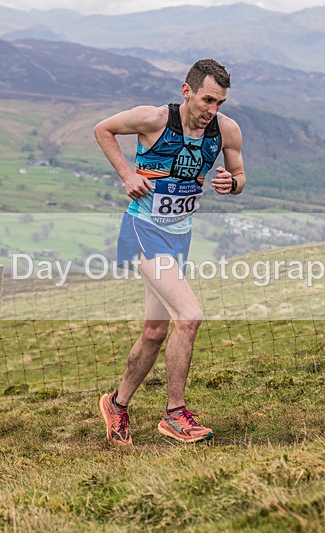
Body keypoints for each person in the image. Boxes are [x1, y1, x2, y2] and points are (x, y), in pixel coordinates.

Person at [94, 59, 246, 445]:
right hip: (143, 230)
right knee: (190, 316)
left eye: (220, 102)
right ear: (187, 91)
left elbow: (240, 175)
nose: (213, 110)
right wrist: (127, 174)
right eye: (207, 99)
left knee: (154, 332)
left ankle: (117, 404)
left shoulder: (226, 130)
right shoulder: (154, 119)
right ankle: (175, 414)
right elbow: (104, 129)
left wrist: (233, 183)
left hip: (181, 236)